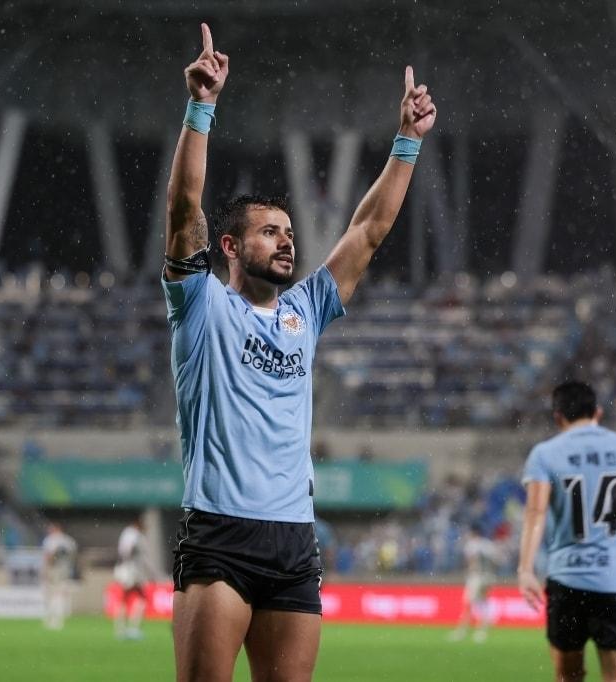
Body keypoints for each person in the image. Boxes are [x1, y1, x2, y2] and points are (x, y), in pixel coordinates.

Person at [163, 22, 436, 681]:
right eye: (269, 233)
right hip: (220, 536)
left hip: (292, 542)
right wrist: (203, 106)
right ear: (230, 248)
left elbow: (368, 232)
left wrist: (406, 142)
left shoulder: (303, 310)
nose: (287, 242)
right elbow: (184, 207)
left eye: (289, 233)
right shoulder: (202, 303)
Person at [517, 381, 616, 682]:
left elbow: (535, 512)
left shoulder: (545, 454)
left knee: (569, 677)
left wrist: (525, 568)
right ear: (598, 412)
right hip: (615, 583)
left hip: (567, 582)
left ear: (558, 417)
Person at [448, 524, 502, 643]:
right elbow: (498, 560)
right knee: (483, 604)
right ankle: (482, 631)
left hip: (476, 577)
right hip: (489, 577)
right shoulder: (488, 544)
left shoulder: (472, 544)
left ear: (473, 533)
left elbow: (471, 562)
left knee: (468, 604)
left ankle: (462, 631)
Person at [113, 517, 151, 640]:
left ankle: (120, 629)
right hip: (131, 570)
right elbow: (127, 551)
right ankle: (132, 628)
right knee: (140, 598)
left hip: (125, 569)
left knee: (124, 599)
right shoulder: (133, 534)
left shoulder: (126, 533)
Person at [41, 521, 77, 630]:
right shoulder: (69, 540)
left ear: (56, 528)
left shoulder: (50, 540)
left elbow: (48, 556)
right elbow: (73, 555)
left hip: (54, 570)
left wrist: (45, 570)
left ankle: (51, 619)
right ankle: (59, 620)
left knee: (51, 595)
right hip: (65, 570)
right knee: (61, 595)